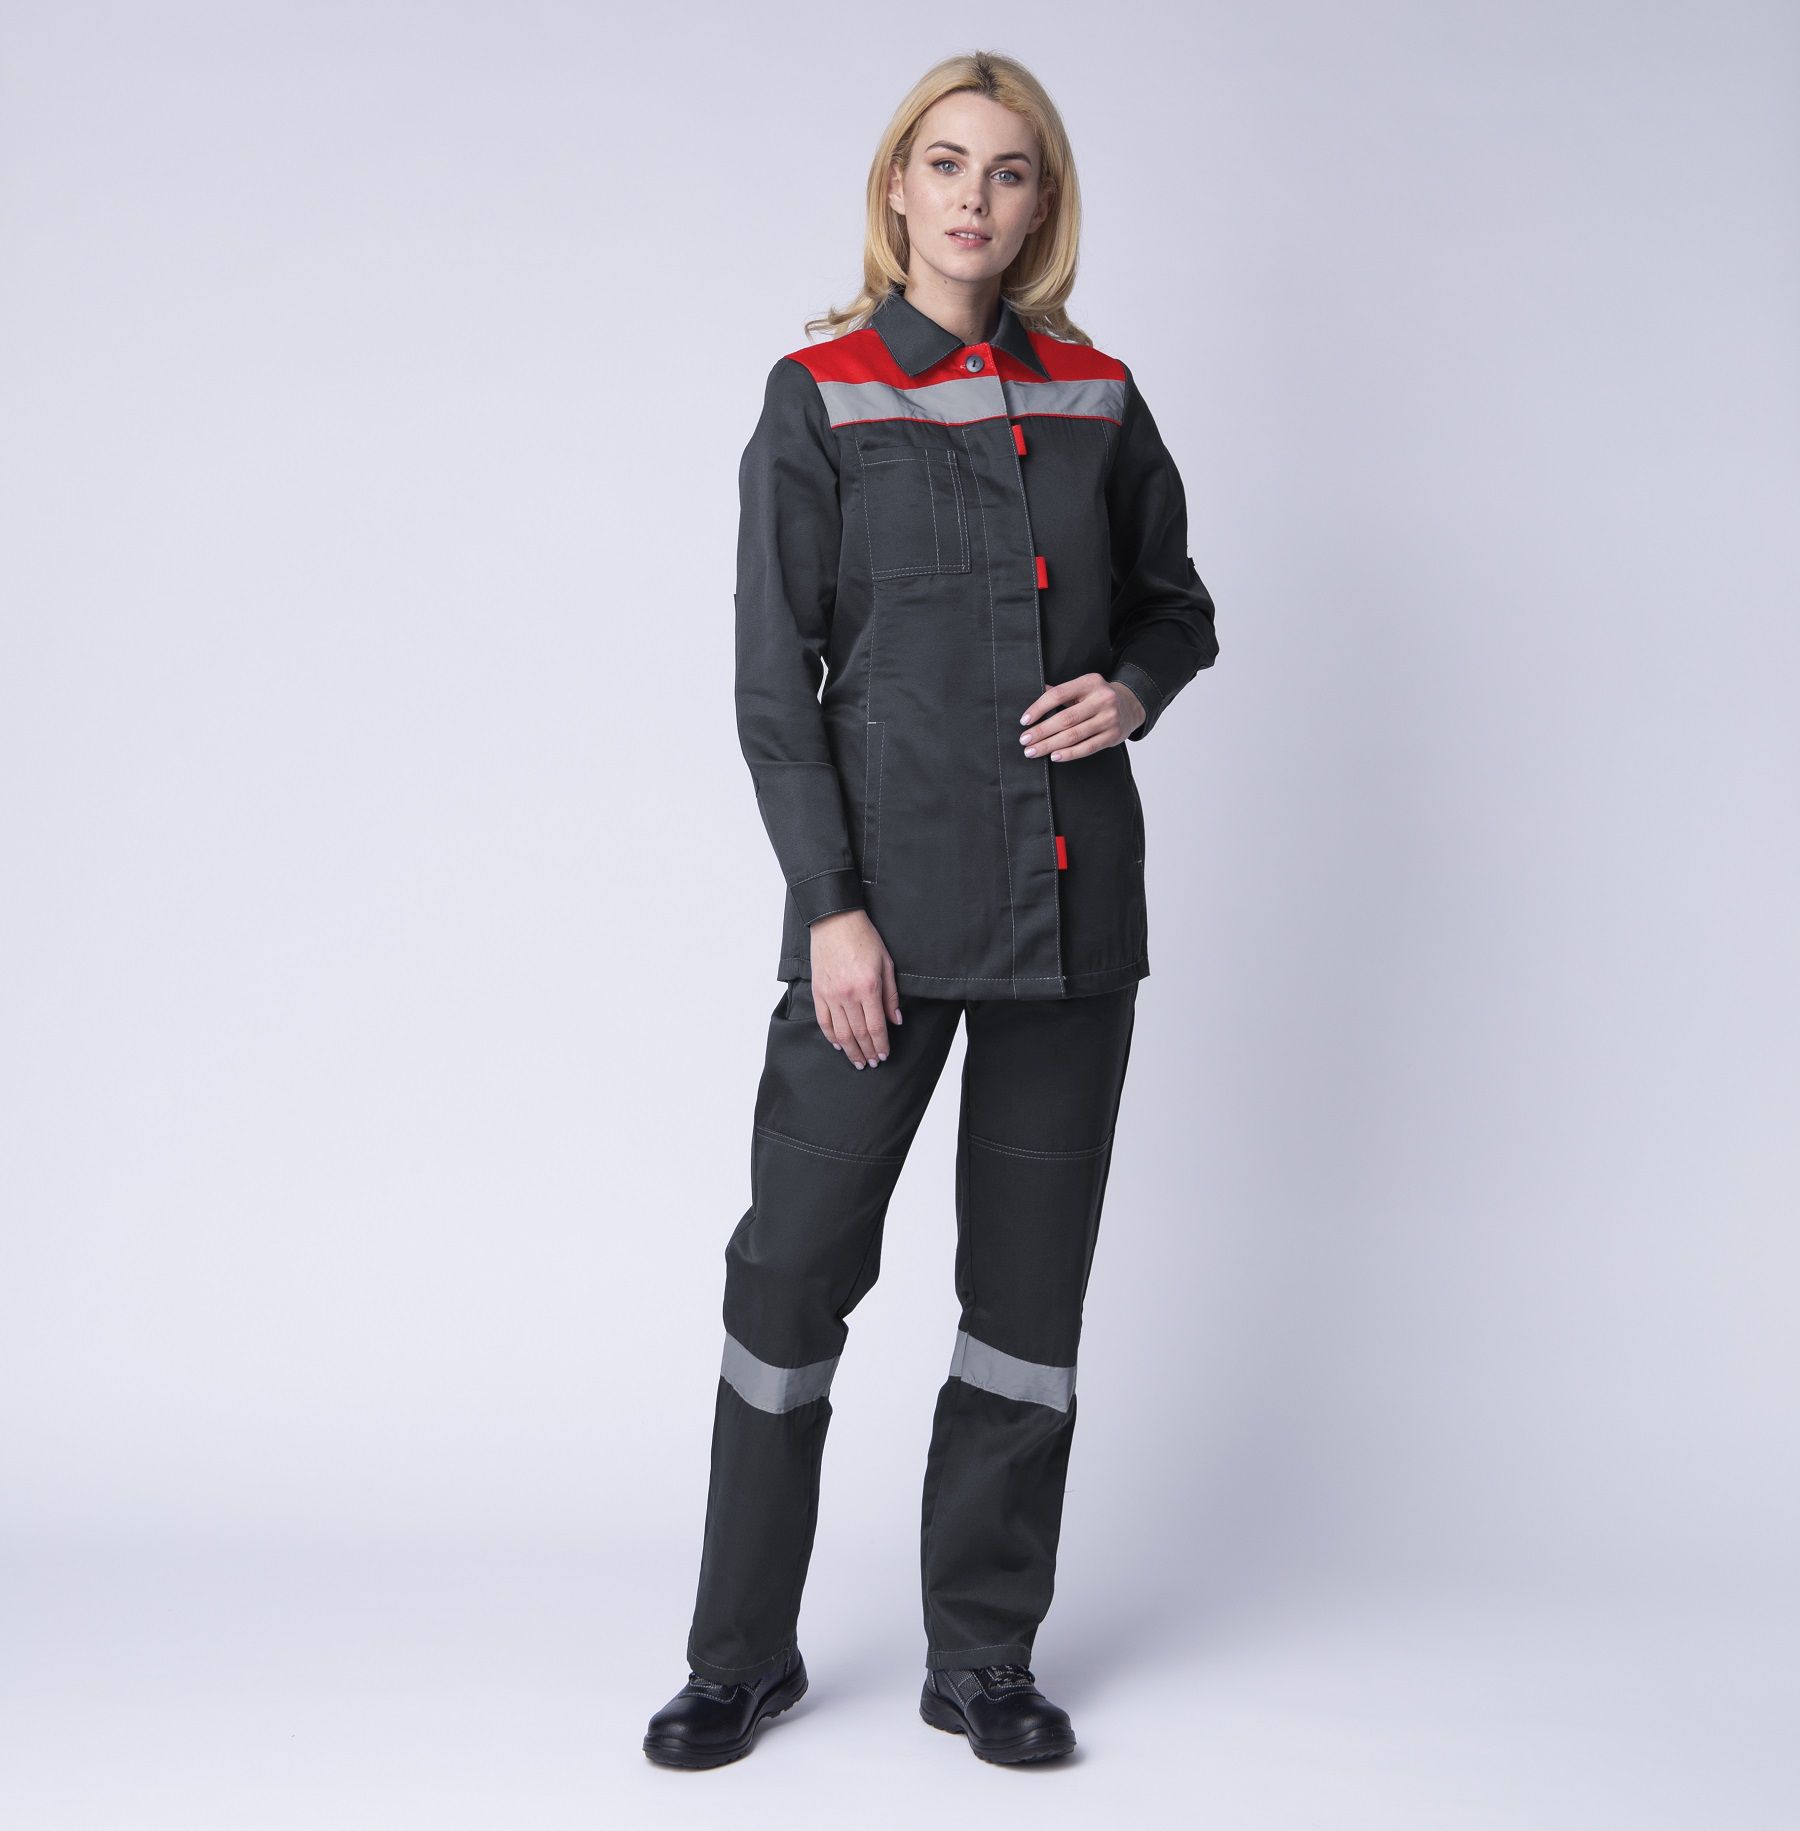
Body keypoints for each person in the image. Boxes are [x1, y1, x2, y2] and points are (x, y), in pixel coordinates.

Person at [642, 48, 1218, 1770]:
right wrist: (830, 908)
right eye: (946, 163)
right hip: (880, 921)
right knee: (790, 1275)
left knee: (1027, 1310)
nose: (974, 197)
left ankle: (984, 1659)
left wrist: (1132, 687)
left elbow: (1177, 605)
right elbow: (776, 686)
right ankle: (739, 1657)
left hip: (1072, 922)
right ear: (897, 186)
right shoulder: (818, 394)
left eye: (1009, 171)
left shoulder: (1099, 394)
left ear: (1043, 206)